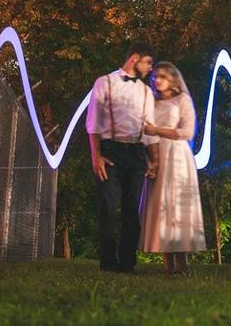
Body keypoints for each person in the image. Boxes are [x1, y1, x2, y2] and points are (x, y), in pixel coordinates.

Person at [86, 42, 159, 273]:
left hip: (136, 152)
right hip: (110, 150)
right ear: (134, 58)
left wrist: (153, 159)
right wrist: (96, 155)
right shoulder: (104, 82)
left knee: (131, 211)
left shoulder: (146, 91)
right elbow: (93, 122)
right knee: (108, 207)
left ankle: (127, 263)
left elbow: (149, 127)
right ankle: (108, 262)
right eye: (148, 63)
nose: (150, 68)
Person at [140, 61, 206, 275]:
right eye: (155, 77)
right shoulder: (151, 102)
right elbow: (145, 131)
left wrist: (157, 129)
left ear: (173, 80)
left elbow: (187, 131)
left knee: (179, 206)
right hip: (157, 155)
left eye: (162, 77)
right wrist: (151, 158)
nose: (157, 80)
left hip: (178, 157)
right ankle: (167, 264)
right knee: (162, 206)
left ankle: (183, 262)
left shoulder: (182, 100)